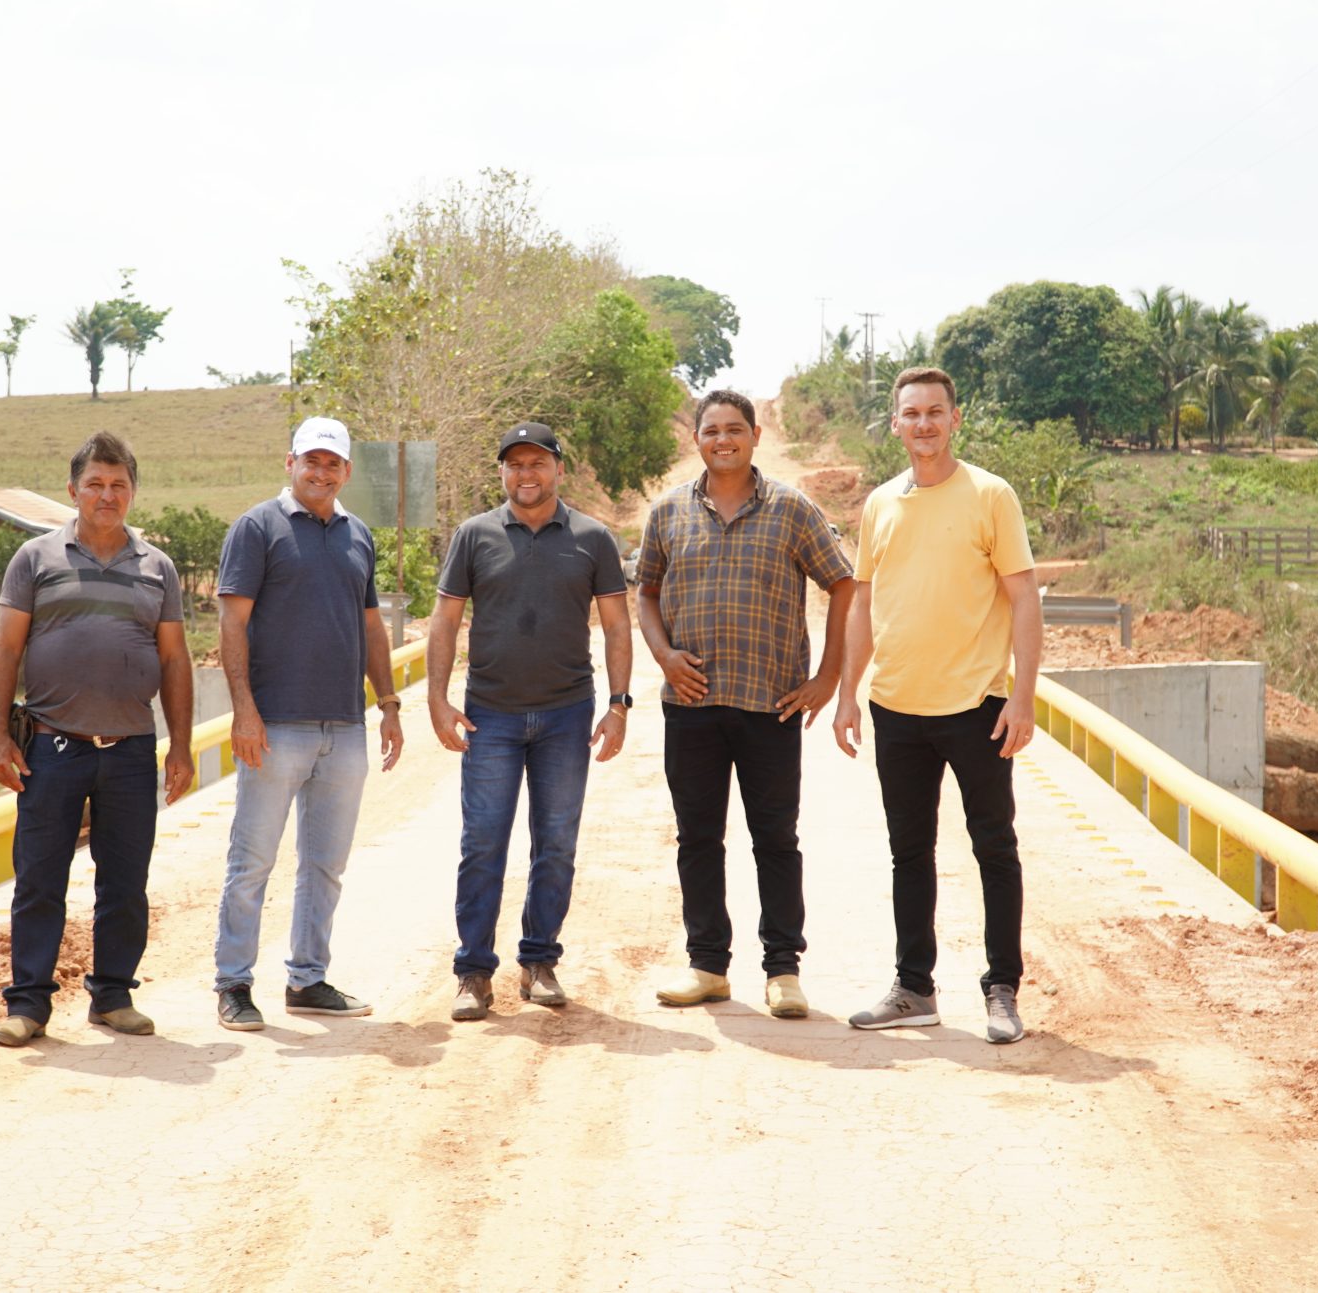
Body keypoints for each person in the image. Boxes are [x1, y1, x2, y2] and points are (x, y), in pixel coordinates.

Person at [833, 367, 1042, 1044]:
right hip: (896, 706)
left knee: (994, 847)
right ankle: (913, 988)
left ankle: (1002, 989)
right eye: (911, 413)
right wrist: (848, 694)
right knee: (909, 851)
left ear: (955, 419)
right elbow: (865, 602)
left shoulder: (990, 495)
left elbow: (1024, 597)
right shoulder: (880, 504)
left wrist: (1023, 696)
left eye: (934, 412)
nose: (923, 423)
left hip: (977, 704)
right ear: (895, 424)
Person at [636, 389, 855, 1019]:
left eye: (735, 429)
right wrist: (664, 657)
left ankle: (783, 971)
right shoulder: (668, 512)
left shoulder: (792, 509)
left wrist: (827, 678)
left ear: (756, 436)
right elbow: (645, 593)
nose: (723, 440)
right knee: (698, 838)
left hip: (771, 705)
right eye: (711, 430)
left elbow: (843, 585)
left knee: (776, 840)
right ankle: (707, 966)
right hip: (691, 705)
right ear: (696, 440)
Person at [0, 430, 195, 1047]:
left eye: (118, 484)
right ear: (72, 490)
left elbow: (175, 660)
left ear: (133, 492)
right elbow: (5, 648)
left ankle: (113, 996)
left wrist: (181, 747)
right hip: (51, 747)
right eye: (95, 484)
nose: (107, 495)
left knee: (125, 881)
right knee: (39, 879)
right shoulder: (35, 559)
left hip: (130, 750)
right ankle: (28, 1005)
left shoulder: (157, 567)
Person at [427, 422, 632, 1022]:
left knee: (557, 844)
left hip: (567, 715)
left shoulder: (593, 538)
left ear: (558, 470)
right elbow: (445, 620)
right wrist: (437, 699)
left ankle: (539, 961)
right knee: (482, 844)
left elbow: (617, 625)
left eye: (537, 463)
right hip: (490, 716)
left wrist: (618, 704)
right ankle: (473, 972)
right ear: (502, 472)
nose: (526, 474)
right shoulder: (474, 535)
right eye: (514, 464)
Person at [211, 416, 404, 1031]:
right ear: (289, 462)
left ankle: (308, 979)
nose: (321, 472)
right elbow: (233, 621)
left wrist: (389, 703)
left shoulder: (358, 535)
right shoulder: (257, 527)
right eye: (311, 460)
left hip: (343, 726)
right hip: (275, 726)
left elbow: (371, 626)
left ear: (346, 471)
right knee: (253, 862)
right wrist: (244, 710)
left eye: (332, 463)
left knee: (325, 864)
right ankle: (234, 984)